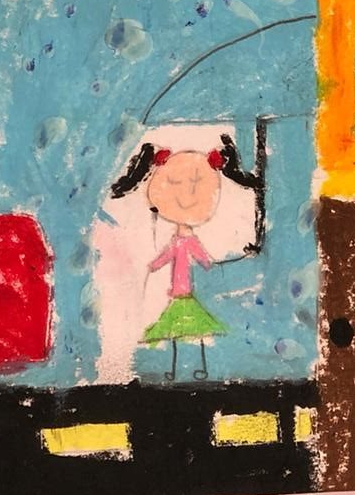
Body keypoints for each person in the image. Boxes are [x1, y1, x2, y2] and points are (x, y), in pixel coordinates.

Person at [109, 135, 259, 380]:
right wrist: (154, 265)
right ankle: (180, 369)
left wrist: (216, 263)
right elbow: (175, 257)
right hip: (179, 294)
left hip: (185, 295)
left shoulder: (188, 242)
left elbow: (202, 260)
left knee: (188, 332)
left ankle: (194, 368)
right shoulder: (179, 241)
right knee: (179, 333)